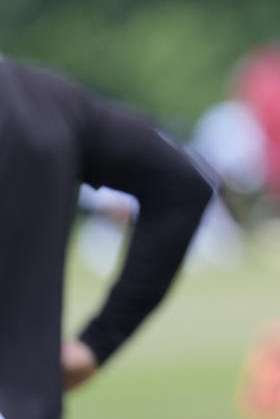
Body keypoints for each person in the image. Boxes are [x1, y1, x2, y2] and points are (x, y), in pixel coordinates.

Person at [0, 56, 213, 419]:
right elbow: (182, 183)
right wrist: (99, 341)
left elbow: (182, 187)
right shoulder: (41, 98)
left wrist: (101, 339)